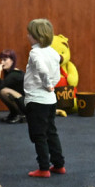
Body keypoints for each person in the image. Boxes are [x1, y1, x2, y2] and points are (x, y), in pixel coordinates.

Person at [24, 19, 66, 178]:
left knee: (39, 135)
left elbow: (42, 69)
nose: (27, 36)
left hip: (37, 100)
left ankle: (43, 168)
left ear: (36, 36)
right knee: (51, 131)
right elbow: (56, 69)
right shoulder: (53, 52)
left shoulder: (35, 52)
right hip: (50, 100)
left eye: (29, 33)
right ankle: (59, 164)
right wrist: (52, 85)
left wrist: (48, 84)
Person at [0, 49, 25, 124]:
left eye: (5, 60)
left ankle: (21, 114)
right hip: (23, 101)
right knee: (0, 91)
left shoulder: (15, 74)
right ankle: (14, 113)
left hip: (28, 105)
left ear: (12, 60)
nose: (2, 62)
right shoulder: (9, 73)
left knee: (4, 91)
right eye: (1, 60)